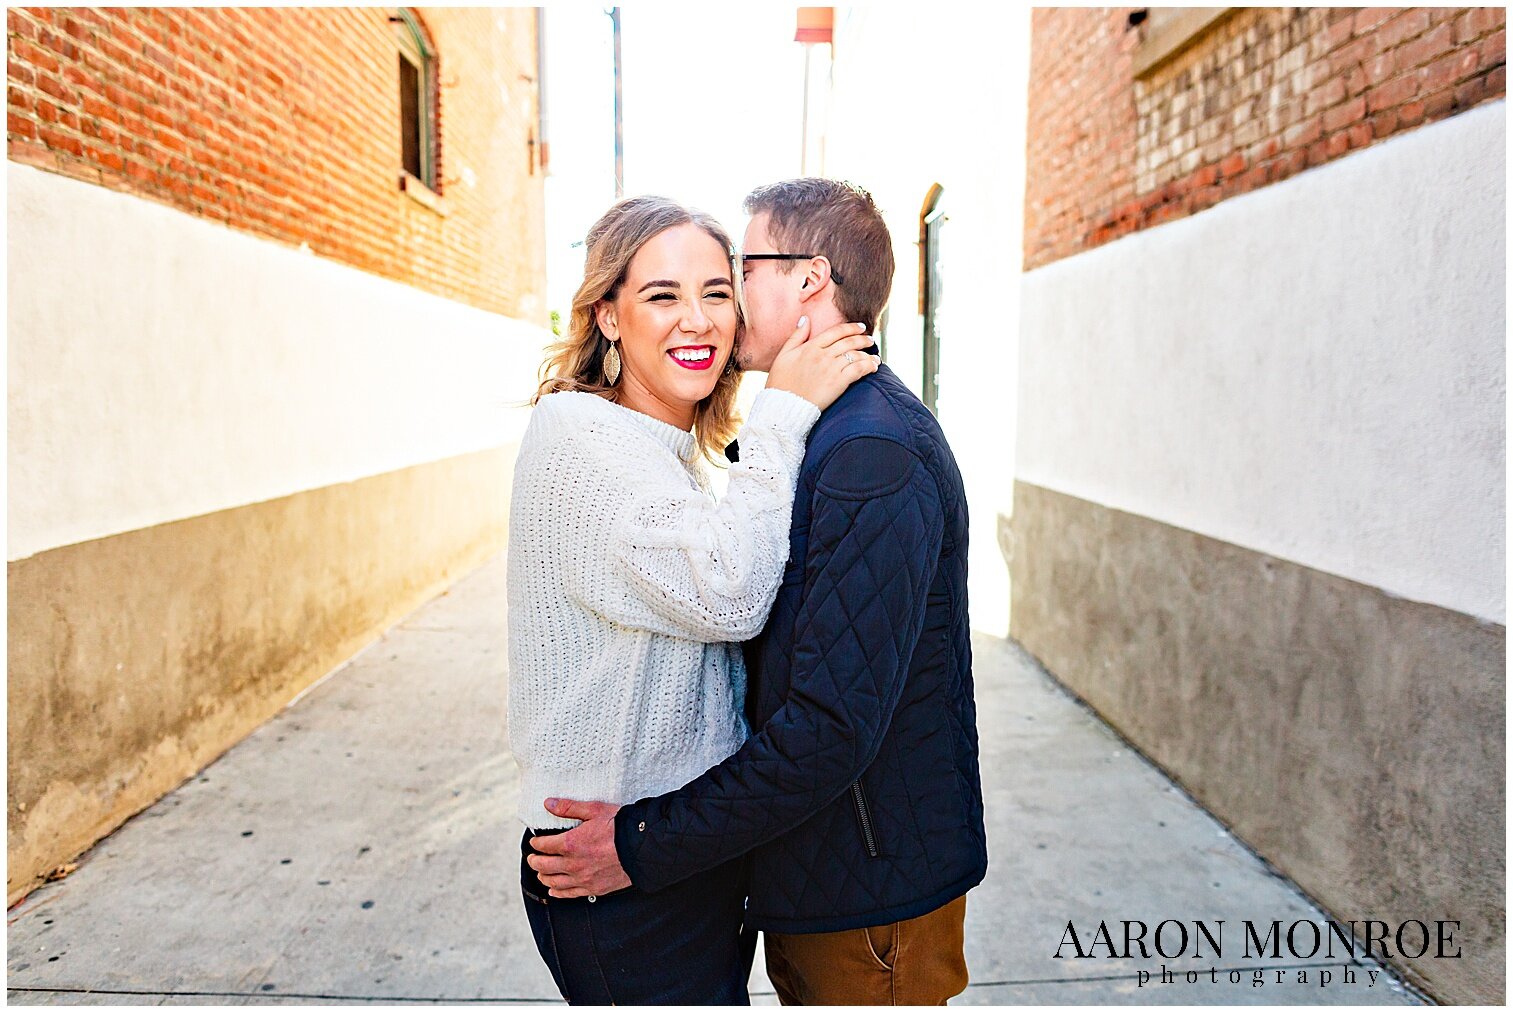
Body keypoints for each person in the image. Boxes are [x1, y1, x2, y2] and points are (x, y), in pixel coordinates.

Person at [529, 178, 988, 1005]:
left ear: (808, 280)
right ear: (607, 313)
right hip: (633, 859)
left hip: (855, 884)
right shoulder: (593, 441)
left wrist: (652, 842)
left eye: (729, 277)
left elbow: (826, 722)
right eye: (664, 294)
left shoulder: (864, 451)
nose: (715, 309)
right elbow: (733, 596)